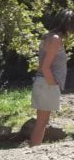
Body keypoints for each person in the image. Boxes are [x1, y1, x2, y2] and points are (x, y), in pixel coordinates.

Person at [29, 9, 74, 147]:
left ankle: (33, 150)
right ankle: (33, 151)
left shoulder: (49, 36)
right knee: (42, 123)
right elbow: (45, 67)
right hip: (46, 84)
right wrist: (53, 84)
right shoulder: (55, 39)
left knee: (41, 122)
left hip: (43, 83)